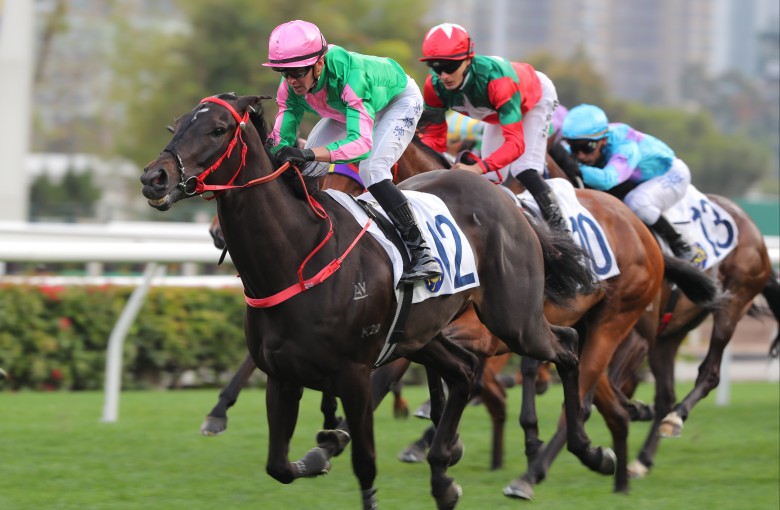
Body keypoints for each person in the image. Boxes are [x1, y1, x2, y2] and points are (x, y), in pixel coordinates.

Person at [262, 20, 440, 283]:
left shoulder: (350, 77)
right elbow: (280, 141)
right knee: (307, 168)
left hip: (396, 102)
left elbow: (361, 145)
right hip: (346, 108)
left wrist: (309, 153)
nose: (291, 80)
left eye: (297, 72)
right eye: (283, 72)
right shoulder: (290, 85)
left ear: (319, 63)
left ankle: (422, 251)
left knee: (373, 169)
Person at [417, 23, 566, 231]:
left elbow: (515, 144)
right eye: (435, 66)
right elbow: (434, 139)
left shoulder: (497, 81)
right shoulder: (433, 87)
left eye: (449, 67)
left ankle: (562, 231)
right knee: (491, 176)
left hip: (534, 99)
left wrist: (477, 167)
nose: (443, 76)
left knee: (523, 168)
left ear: (468, 58)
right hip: (497, 112)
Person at [561, 103, 693, 259]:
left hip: (671, 174)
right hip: (635, 180)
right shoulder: (591, 141)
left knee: (637, 202)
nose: (580, 155)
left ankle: (678, 243)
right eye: (574, 148)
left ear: (603, 140)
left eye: (587, 147)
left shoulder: (626, 146)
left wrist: (573, 166)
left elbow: (607, 180)